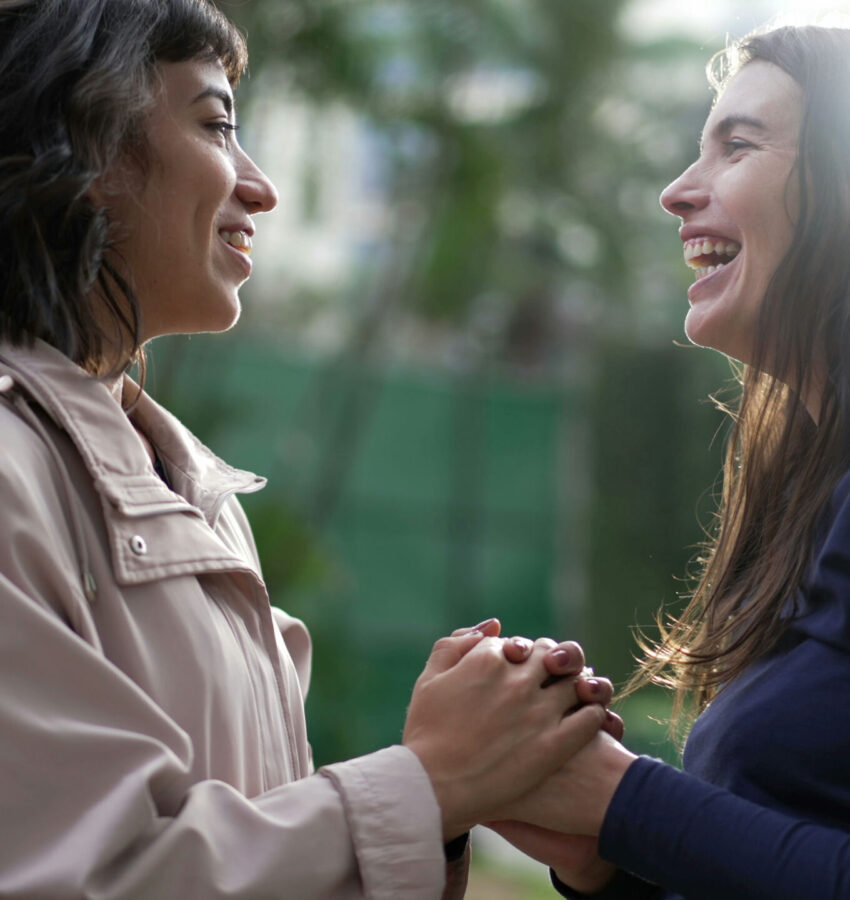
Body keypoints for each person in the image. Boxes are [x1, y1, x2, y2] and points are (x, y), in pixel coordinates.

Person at [0, 1, 618, 897]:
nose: (261, 187)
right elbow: (91, 876)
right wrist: (428, 782)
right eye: (216, 125)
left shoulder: (192, 487)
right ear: (86, 147)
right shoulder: (14, 472)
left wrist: (446, 796)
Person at [487, 24, 850, 900]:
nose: (677, 193)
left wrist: (623, 801)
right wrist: (606, 865)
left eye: (739, 144)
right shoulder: (808, 497)